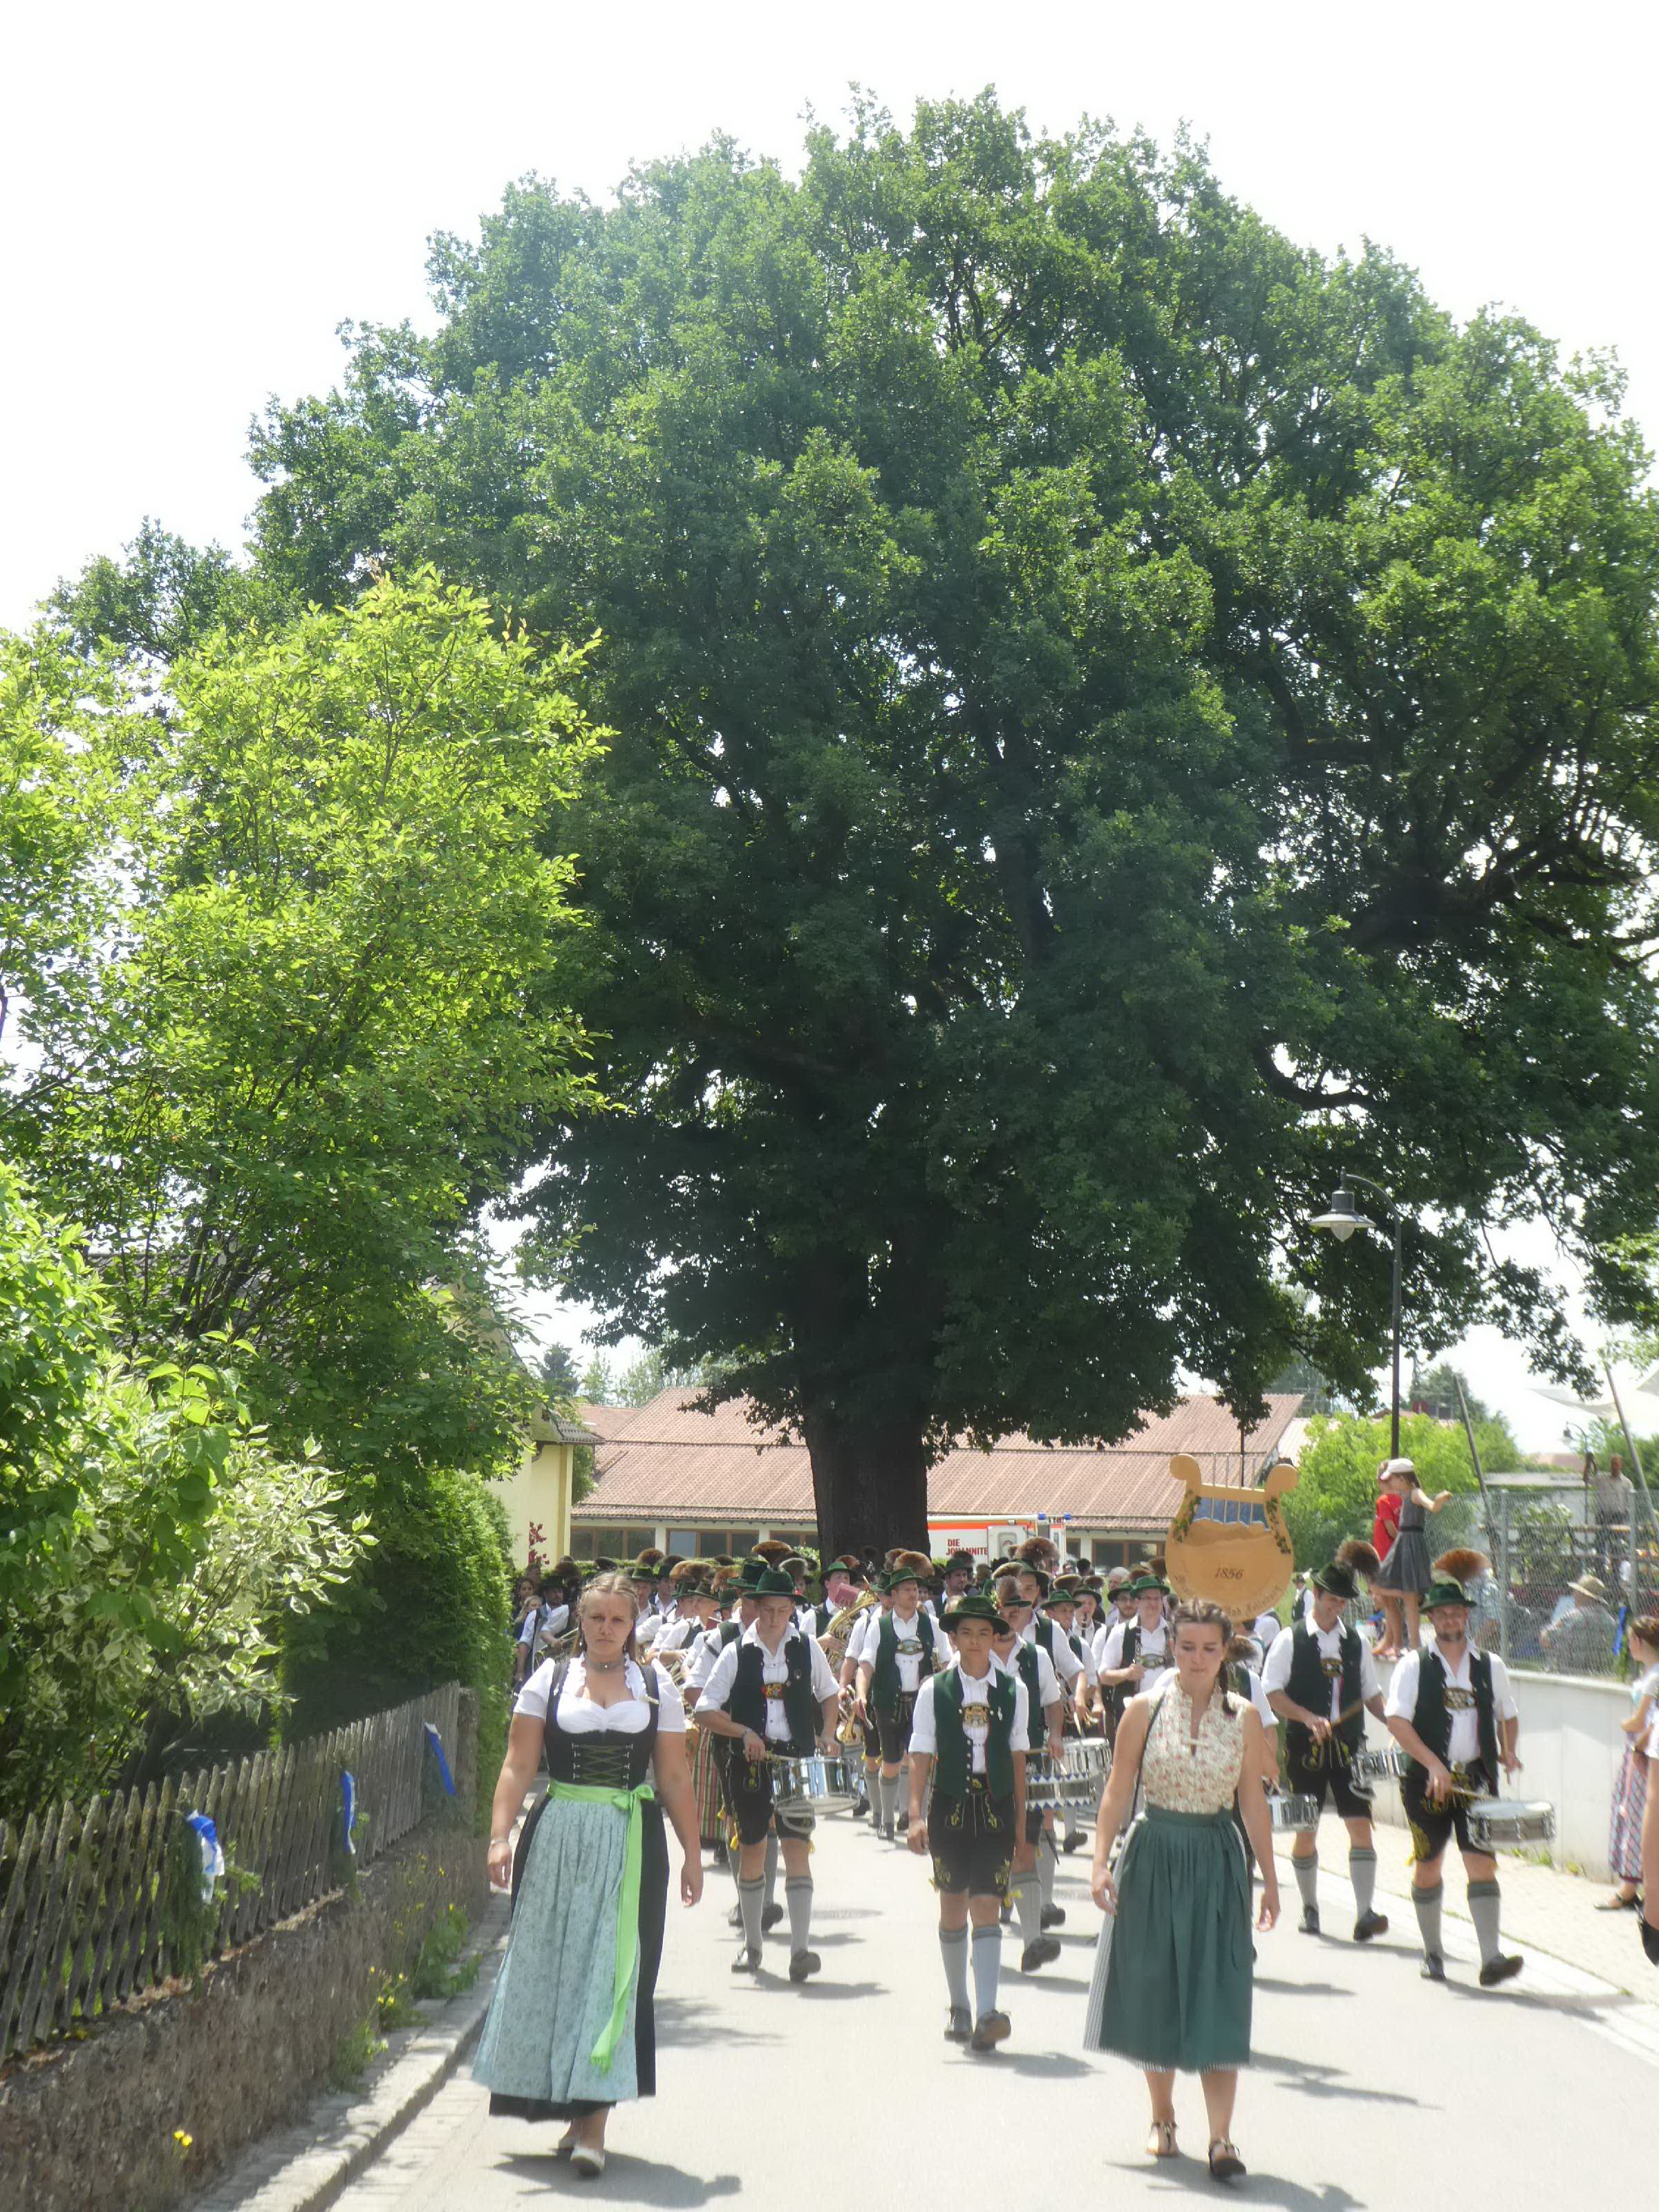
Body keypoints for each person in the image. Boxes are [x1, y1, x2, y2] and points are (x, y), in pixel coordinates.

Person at [474, 1572, 703, 2175]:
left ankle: (594, 2126)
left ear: (632, 1625)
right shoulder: (549, 1681)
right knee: (559, 1968)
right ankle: (576, 2112)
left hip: (631, 1841)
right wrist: (499, 1836)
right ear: (581, 1619)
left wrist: (692, 1852)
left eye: (617, 1620)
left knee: (616, 1973)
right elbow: (518, 1765)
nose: (606, 1629)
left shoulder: (655, 1687)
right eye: (596, 1618)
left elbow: (674, 1776)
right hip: (558, 1839)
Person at [1086, 1598, 1280, 2182]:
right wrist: (1099, 1863)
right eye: (1188, 1647)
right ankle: (1163, 2116)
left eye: (1210, 1649)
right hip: (1153, 1856)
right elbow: (1117, 1791)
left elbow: (1252, 1802)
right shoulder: (1142, 1710)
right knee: (1156, 1988)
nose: (1197, 1659)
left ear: (1226, 1653)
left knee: (1221, 1991)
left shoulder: (1243, 1716)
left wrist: (1271, 1880)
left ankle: (1222, 2138)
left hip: (1218, 1860)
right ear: (1172, 1647)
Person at [694, 1566, 840, 1979]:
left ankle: (800, 1951)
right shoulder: (735, 1652)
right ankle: (752, 1945)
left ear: (792, 1608)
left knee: (797, 1848)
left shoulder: (807, 1648)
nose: (776, 1618)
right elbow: (704, 1710)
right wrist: (743, 1732)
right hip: (750, 1766)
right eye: (768, 1609)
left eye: (783, 1609)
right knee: (753, 1849)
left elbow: (829, 1693)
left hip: (796, 1762)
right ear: (756, 1607)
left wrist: (828, 1733)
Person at [1384, 1568, 1525, 1987]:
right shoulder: (1413, 1665)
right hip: (1425, 1783)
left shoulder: (1490, 1665)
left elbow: (1507, 1713)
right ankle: (1432, 1953)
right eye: (1442, 1613)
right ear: (1431, 1618)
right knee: (1429, 1865)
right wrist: (1433, 1764)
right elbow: (1396, 1722)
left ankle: (1491, 1957)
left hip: (1476, 1781)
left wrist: (1509, 1750)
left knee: (1481, 1864)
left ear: (1467, 1615)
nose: (1450, 1619)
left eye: (1457, 1612)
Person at [908, 1591, 1029, 2049]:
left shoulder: (1014, 1690)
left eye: (983, 1633)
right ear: (954, 1640)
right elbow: (921, 1752)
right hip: (950, 1806)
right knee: (954, 1904)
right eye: (967, 1633)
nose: (976, 1641)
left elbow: (1018, 1758)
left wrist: (1021, 1825)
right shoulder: (933, 1689)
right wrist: (914, 1814)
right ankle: (959, 2004)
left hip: (996, 1806)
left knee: (987, 1904)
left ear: (994, 1638)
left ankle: (987, 2013)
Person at [1263, 1555, 1389, 1942]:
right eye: (1332, 1599)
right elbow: (1271, 1692)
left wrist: (1397, 1724)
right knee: (1307, 1828)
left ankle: (1365, 1912)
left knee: (1360, 1824)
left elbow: (1371, 1694)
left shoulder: (1357, 1642)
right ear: (1316, 1595)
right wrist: (1306, 1717)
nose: (1338, 1607)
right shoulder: (1291, 1639)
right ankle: (1309, 1907)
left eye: (1343, 1601)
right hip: (1305, 1748)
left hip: (1349, 1746)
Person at [990, 1591, 1065, 1971]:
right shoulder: (972, 1656)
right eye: (1002, 1612)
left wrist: (1055, 1734)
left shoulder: (1037, 1656)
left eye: (1014, 1612)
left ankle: (1033, 1940)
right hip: (983, 1769)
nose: (1009, 1618)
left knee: (1026, 1847)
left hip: (1030, 1764)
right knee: (990, 1854)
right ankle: (984, 1936)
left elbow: (1053, 1701)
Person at [854, 1550, 939, 1839]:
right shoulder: (878, 1626)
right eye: (907, 1589)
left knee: (920, 1759)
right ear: (894, 1593)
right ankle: (886, 1819)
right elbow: (866, 1664)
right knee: (890, 1763)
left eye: (916, 1589)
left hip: (921, 1703)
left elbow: (948, 1661)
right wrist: (861, 1695)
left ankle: (917, 1819)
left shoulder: (931, 1624)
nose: (914, 1594)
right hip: (888, 1702)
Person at [1601, 1613, 1659, 1909]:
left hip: (1644, 1751)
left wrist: (1625, 1724)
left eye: (1630, 1640)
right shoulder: (1650, 1676)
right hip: (1640, 1749)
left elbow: (1641, 1720)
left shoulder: (1655, 1678)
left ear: (1638, 1641)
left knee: (1637, 1814)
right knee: (1631, 1812)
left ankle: (1631, 1889)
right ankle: (1634, 1886)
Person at [1370, 1459, 1452, 1659]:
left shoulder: (1415, 1493)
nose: (1390, 1484)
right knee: (1390, 1589)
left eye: (1392, 1479)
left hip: (1411, 1544)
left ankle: (1414, 1644)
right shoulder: (1404, 1495)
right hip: (1403, 1543)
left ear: (1402, 1478)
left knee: (1410, 1597)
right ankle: (1400, 1641)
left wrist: (1440, 1499)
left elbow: (1432, 1507)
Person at [1540, 1573, 1619, 1674]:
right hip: (1600, 1675)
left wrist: (1554, 1626)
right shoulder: (1611, 1621)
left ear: (1584, 1596)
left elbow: (1545, 1640)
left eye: (1576, 1592)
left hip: (1569, 1674)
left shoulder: (1572, 1617)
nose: (1574, 1595)